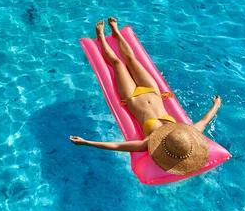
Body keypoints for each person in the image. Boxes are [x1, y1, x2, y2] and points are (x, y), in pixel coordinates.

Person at [70, 18, 222, 175]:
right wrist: (216, 105)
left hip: (131, 97)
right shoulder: (186, 134)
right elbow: (204, 121)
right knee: (131, 59)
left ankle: (100, 37)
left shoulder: (150, 142)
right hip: (152, 91)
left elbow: (118, 146)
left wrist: (86, 142)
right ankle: (116, 33)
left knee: (118, 63)